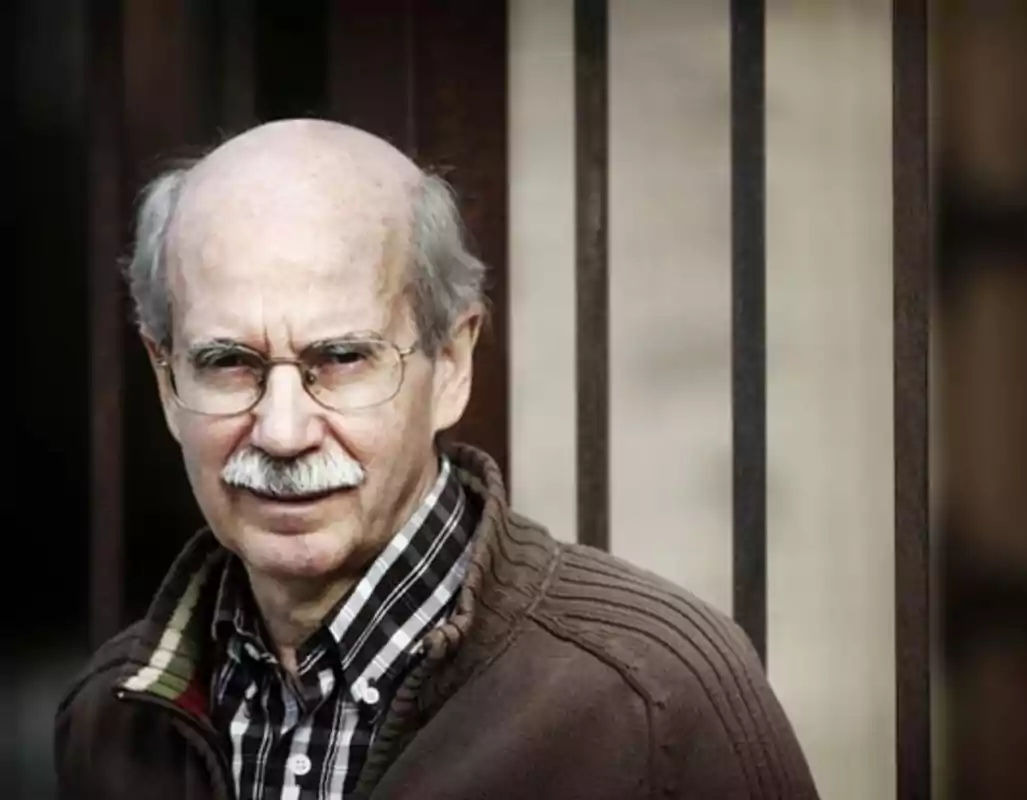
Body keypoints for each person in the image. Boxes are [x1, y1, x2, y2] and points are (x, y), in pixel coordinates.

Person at [55, 119, 818, 799]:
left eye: (343, 357)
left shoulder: (650, 699)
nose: (282, 431)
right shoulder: (115, 720)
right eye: (229, 363)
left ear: (451, 364)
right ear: (165, 379)